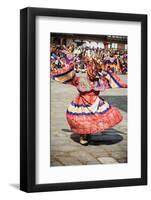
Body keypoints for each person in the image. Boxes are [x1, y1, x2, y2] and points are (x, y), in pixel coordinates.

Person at [51, 50, 127, 145]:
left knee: (92, 119)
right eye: (92, 71)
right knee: (83, 119)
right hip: (82, 103)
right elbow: (70, 77)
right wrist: (70, 63)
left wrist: (122, 84)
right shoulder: (82, 80)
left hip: (95, 103)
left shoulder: (100, 81)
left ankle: (87, 133)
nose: (93, 73)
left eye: (94, 72)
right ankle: (84, 135)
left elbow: (112, 79)